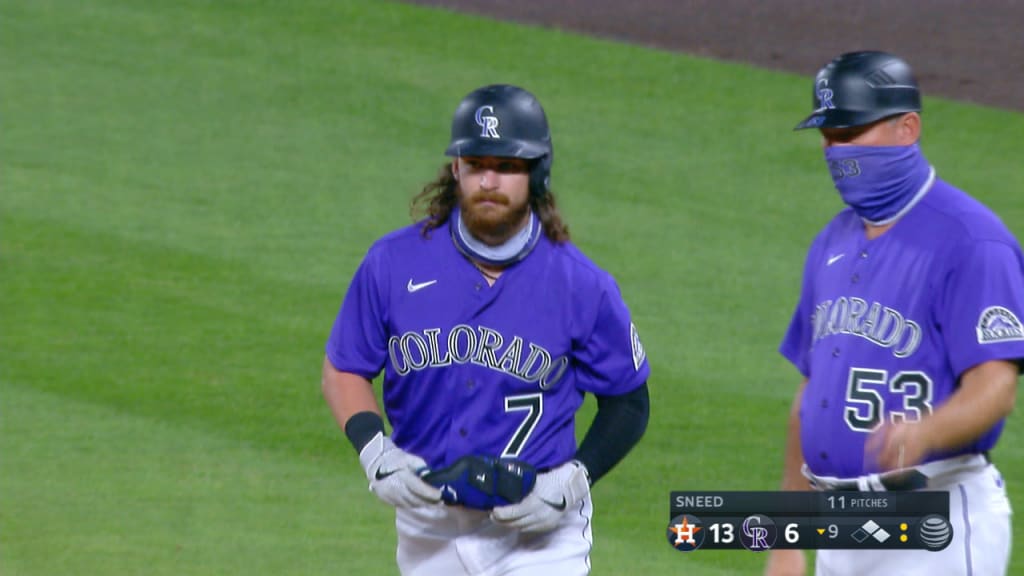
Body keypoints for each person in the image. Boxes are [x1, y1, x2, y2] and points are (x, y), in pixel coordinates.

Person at [322, 84, 650, 576]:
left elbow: (629, 401)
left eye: (507, 167)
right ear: (456, 169)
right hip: (426, 527)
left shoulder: (581, 285)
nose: (489, 181)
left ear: (536, 172)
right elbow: (345, 368)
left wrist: (575, 478)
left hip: (540, 534)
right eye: (476, 165)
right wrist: (374, 450)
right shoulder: (391, 264)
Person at [765, 51, 1022, 576]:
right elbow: (809, 397)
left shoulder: (974, 241)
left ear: (908, 128)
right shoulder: (831, 242)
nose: (836, 150)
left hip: (937, 519)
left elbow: (996, 388)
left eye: (850, 132)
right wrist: (787, 538)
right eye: (829, 135)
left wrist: (928, 431)